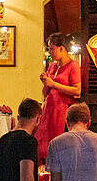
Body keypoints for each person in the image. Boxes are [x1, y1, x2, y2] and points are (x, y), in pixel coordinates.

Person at [35, 33, 82, 162]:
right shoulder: (52, 66)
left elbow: (77, 90)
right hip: (49, 109)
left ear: (62, 48)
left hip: (63, 109)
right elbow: (46, 93)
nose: (50, 52)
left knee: (60, 144)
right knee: (45, 143)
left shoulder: (73, 66)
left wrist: (54, 83)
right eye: (49, 49)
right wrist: (45, 83)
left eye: (52, 48)